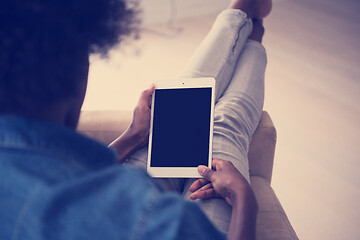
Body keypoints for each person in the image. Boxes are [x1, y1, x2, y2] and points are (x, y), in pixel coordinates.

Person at [0, 1, 271, 240]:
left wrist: (133, 135)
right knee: (224, 125)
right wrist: (243, 197)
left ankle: (248, 24)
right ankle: (247, 23)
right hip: (143, 211)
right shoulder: (155, 223)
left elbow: (71, 177)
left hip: (124, 189)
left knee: (179, 107)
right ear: (79, 74)